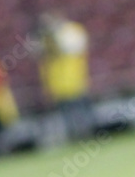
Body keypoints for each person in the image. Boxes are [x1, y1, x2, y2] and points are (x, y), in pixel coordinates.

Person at [38, 12, 96, 140]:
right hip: (58, 82)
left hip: (75, 77)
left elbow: (72, 48)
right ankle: (75, 136)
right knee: (66, 113)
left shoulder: (72, 30)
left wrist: (53, 38)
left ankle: (90, 132)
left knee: (81, 107)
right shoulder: (45, 37)